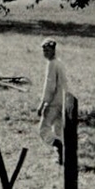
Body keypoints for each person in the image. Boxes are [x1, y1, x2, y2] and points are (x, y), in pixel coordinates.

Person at [37, 37, 68, 165]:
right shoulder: (60, 63)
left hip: (54, 102)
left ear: (53, 50)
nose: (45, 53)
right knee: (58, 129)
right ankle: (62, 158)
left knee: (43, 130)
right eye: (44, 50)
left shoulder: (52, 64)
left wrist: (43, 104)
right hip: (64, 101)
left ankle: (58, 146)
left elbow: (50, 87)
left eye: (48, 50)